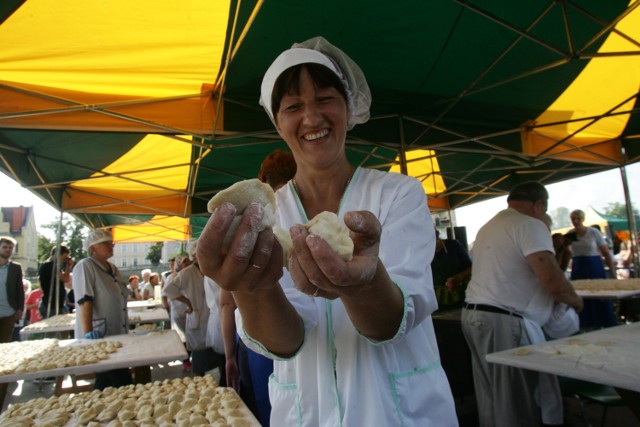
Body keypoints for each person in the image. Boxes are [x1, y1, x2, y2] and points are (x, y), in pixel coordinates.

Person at [197, 36, 457, 426]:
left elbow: (390, 321)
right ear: (277, 121)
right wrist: (251, 288)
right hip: (307, 413)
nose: (312, 118)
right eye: (293, 106)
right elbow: (286, 341)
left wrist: (364, 284)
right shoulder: (268, 216)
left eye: (325, 99)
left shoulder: (398, 194)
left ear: (349, 107)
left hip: (397, 412)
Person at [461, 182, 583, 427]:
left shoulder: (491, 225)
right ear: (540, 205)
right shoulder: (530, 224)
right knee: (516, 402)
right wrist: (575, 301)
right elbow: (551, 279)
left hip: (476, 315)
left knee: (493, 398)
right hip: (504, 320)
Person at [220, 149, 296, 425]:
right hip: (310, 336)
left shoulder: (251, 221)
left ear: (261, 180)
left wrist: (229, 355)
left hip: (258, 337)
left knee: (265, 413)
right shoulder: (314, 214)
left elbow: (226, 302)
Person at [72, 229, 131, 390]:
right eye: (105, 243)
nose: (111, 246)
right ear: (93, 248)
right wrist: (88, 333)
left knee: (108, 379)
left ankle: (98, 406)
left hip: (117, 330)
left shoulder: (112, 268)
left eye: (111, 242)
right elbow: (85, 300)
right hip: (99, 333)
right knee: (120, 379)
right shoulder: (85, 266)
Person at [163, 241, 221, 377]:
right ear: (194, 256)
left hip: (214, 318)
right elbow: (168, 289)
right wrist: (187, 302)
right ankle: (199, 385)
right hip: (198, 317)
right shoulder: (187, 273)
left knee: (218, 356)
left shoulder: (212, 270)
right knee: (200, 358)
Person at [565, 209, 618, 328]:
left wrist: (612, 272)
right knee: (581, 295)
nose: (575, 221)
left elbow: (605, 252)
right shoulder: (570, 234)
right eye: (573, 219)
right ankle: (585, 323)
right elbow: (566, 251)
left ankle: (606, 322)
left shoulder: (593, 232)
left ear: (583, 219)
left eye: (578, 218)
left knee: (600, 294)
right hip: (578, 265)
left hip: (594, 264)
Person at [0, 236, 25, 412]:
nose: (8, 250)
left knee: (4, 350)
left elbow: (19, 289)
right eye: (5, 247)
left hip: (8, 312)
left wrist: (19, 308)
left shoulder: (16, 268)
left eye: (10, 247)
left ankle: (3, 385)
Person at [431, 229, 472, 311]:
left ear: (437, 235)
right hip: (435, 301)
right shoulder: (421, 252)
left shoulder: (453, 245)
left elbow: (471, 268)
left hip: (459, 297)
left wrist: (458, 277)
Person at [38, 245, 74, 319]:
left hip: (55, 304)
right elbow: (66, 279)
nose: (64, 260)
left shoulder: (54, 266)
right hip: (51, 305)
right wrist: (68, 266)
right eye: (64, 258)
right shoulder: (49, 266)